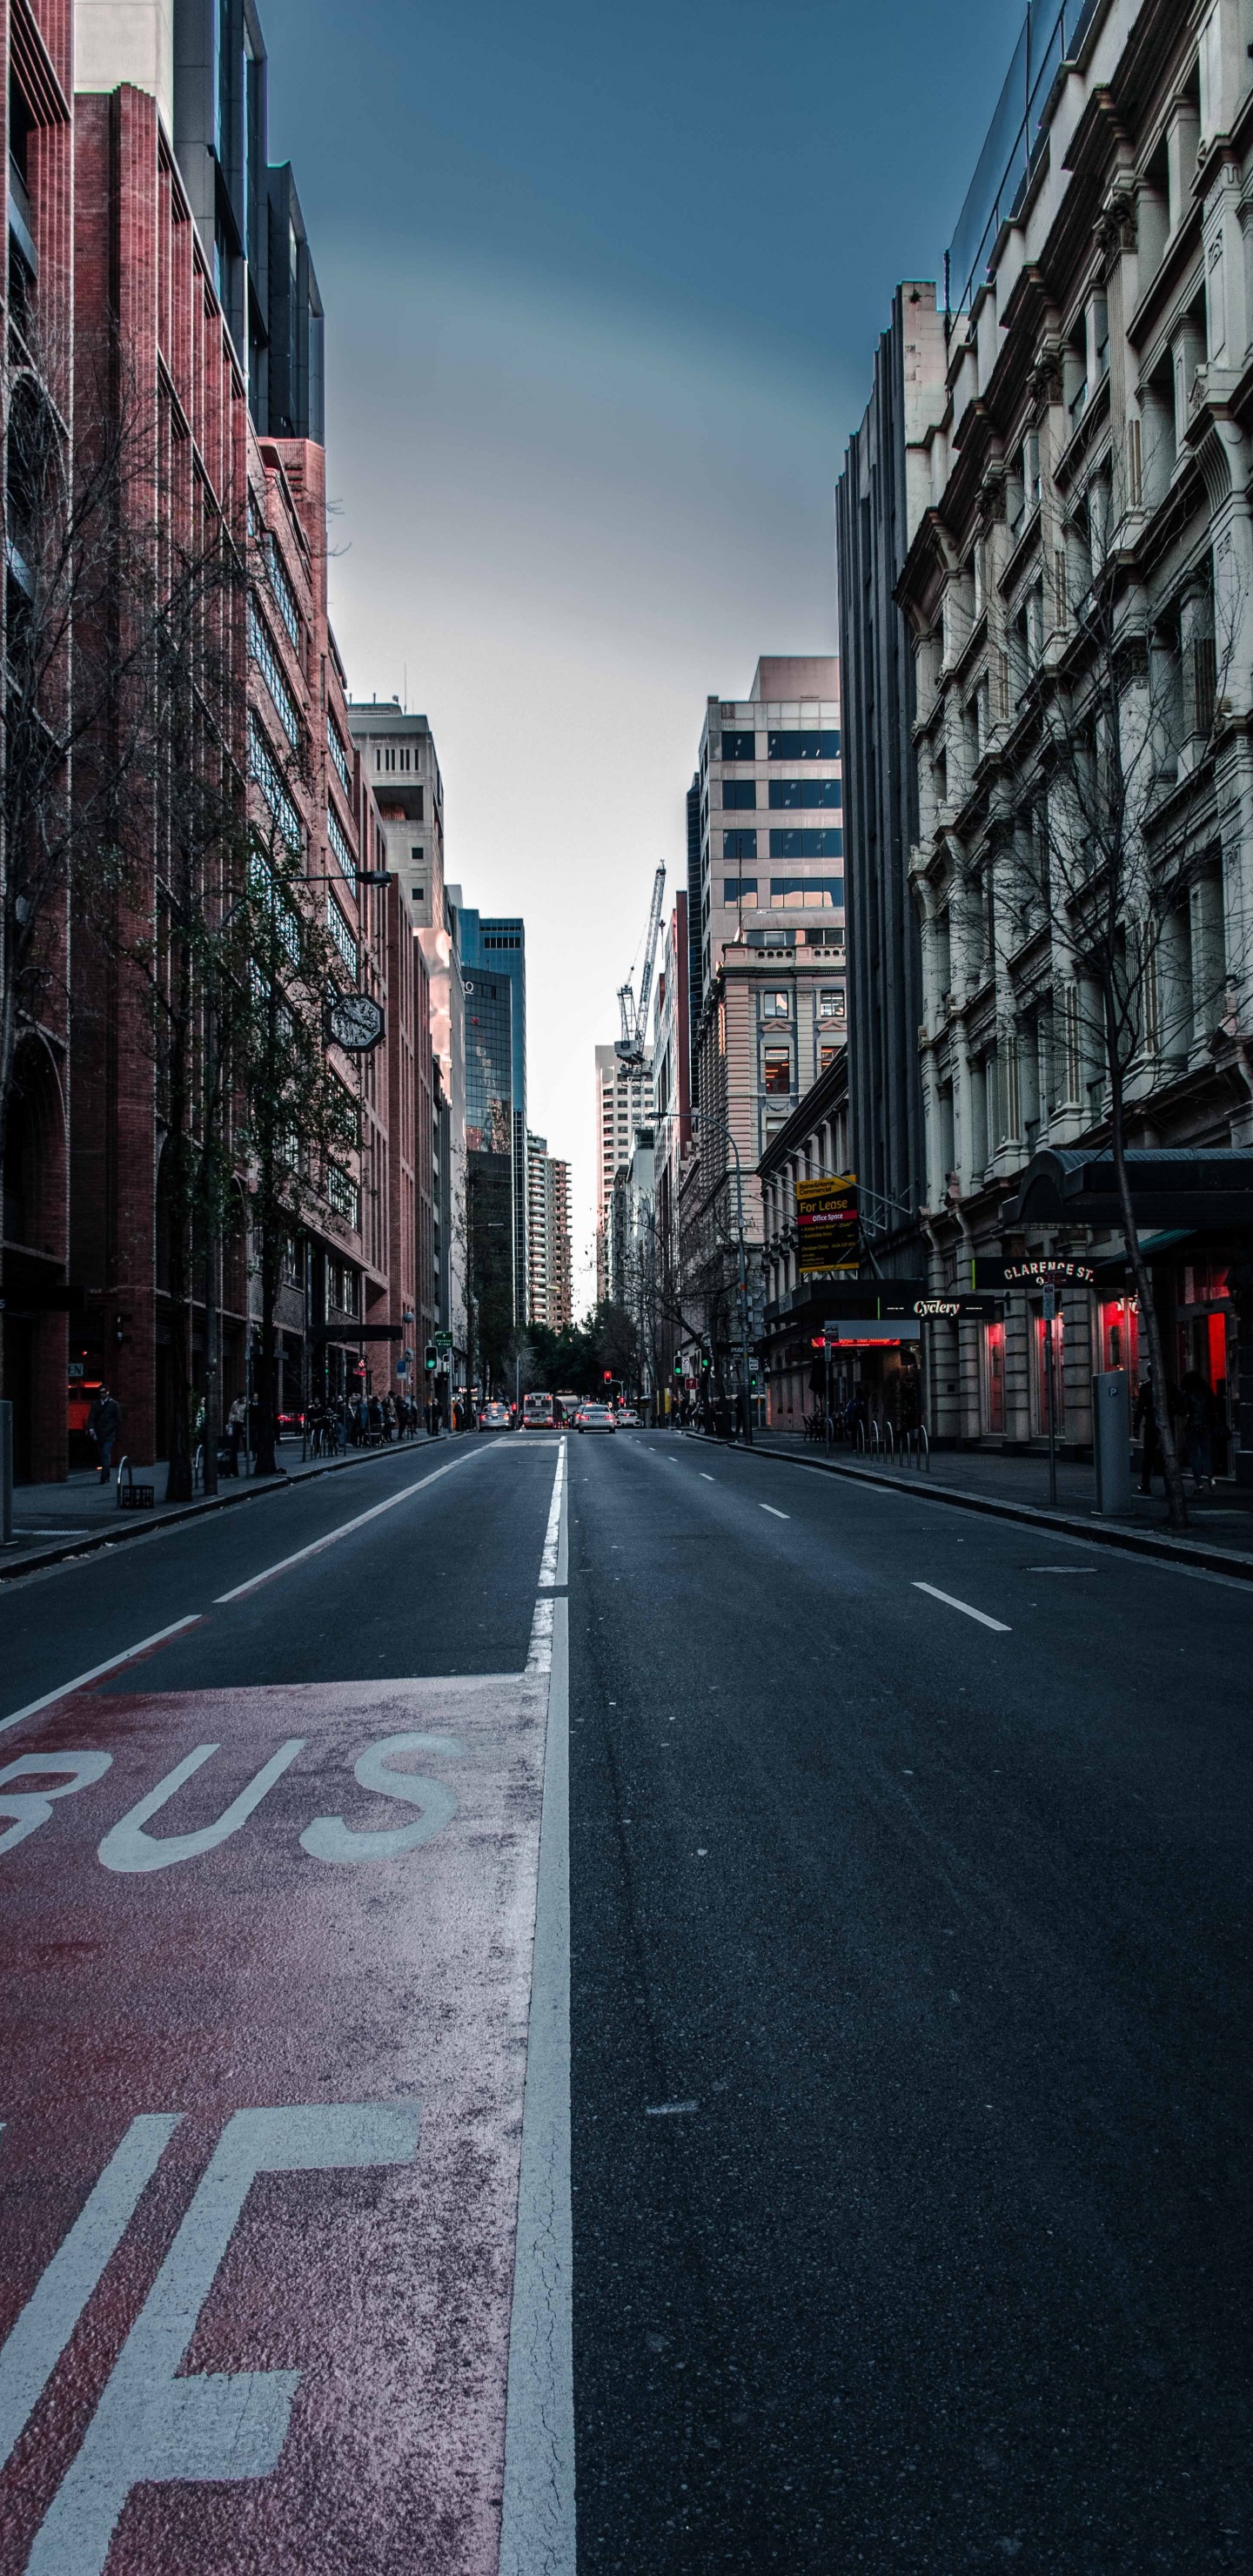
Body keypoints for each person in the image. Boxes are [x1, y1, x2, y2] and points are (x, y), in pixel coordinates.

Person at [1181, 1369, 1216, 1492]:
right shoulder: (1206, 1392)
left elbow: (1183, 1410)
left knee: (1194, 1454)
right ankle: (1211, 1477)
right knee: (1207, 1452)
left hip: (1192, 1425)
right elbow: (1213, 1406)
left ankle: (1199, 1483)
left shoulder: (1188, 1393)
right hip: (1206, 1425)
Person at [88, 1385, 121, 1485]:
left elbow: (118, 1420)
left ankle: (103, 1477)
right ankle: (107, 1474)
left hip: (109, 1435)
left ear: (108, 1392)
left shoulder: (114, 1404)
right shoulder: (95, 1404)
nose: (102, 1394)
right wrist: (91, 1430)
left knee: (105, 1453)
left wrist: (110, 1429)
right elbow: (91, 1418)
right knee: (103, 1455)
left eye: (104, 1392)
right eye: (100, 1392)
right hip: (99, 1434)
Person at [226, 1393, 245, 1476]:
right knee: (234, 1445)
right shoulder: (235, 1403)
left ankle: (247, 1451)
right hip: (235, 1424)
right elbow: (231, 1412)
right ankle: (233, 1470)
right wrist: (230, 1422)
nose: (240, 1399)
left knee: (244, 1440)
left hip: (243, 1424)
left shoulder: (246, 1404)